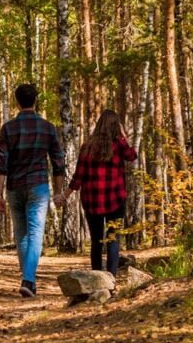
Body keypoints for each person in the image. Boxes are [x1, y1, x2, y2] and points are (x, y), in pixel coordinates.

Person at [0, 84, 66, 298]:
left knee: (21, 234)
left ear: (17, 102)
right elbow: (58, 162)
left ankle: (28, 279)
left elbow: (0, 164)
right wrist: (59, 191)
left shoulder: (8, 128)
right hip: (38, 186)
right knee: (35, 233)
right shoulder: (48, 128)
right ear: (35, 100)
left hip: (14, 187)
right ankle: (28, 279)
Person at [55, 110, 137, 276]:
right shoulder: (119, 145)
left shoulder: (87, 146)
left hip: (92, 201)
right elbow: (132, 156)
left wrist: (64, 195)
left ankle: (96, 279)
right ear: (116, 127)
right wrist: (123, 137)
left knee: (96, 241)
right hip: (116, 199)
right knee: (113, 240)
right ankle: (111, 279)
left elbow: (78, 177)